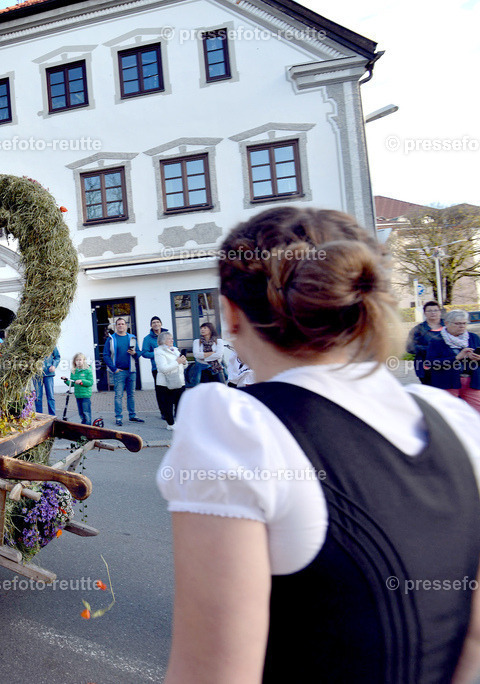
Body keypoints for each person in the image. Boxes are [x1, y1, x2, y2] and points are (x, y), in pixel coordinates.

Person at [157, 207, 480, 682]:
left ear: (230, 314)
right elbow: (471, 644)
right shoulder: (455, 422)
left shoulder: (239, 427)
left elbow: (214, 674)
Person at [426, 309, 480, 414]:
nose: (462, 326)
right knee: (449, 414)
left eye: (464, 323)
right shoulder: (436, 340)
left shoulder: (473, 338)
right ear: (447, 323)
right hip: (447, 382)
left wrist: (477, 358)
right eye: (458, 323)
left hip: (472, 381)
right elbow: (430, 362)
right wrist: (456, 358)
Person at [102, 317, 143, 426]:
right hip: (119, 372)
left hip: (131, 371)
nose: (121, 326)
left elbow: (139, 353)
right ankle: (118, 417)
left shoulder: (132, 338)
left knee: (131, 395)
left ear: (126, 326)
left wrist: (134, 353)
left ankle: (132, 415)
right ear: (116, 326)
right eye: (118, 324)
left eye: (122, 324)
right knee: (118, 395)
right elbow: (105, 355)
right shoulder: (111, 339)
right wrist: (114, 369)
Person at [153, 331, 187, 430]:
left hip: (179, 380)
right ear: (163, 341)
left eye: (172, 338)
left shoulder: (175, 350)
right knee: (168, 404)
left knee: (180, 403)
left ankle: (179, 422)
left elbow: (183, 365)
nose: (172, 340)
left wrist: (184, 362)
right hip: (166, 383)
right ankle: (170, 424)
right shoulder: (159, 352)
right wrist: (177, 362)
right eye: (169, 339)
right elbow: (163, 368)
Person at [407, 300, 445, 385]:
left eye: (435, 310)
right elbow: (409, 347)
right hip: (426, 366)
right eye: (429, 311)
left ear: (440, 312)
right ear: (424, 313)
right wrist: (429, 349)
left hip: (449, 365)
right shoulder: (418, 329)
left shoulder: (448, 326)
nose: (433, 313)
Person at [63, 353, 94, 424]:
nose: (79, 362)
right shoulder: (74, 371)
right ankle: (83, 425)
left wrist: (81, 381)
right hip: (78, 395)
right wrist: (66, 380)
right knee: (81, 412)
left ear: (84, 360)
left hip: (86, 395)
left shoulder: (88, 370)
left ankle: (88, 426)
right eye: (77, 360)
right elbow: (72, 383)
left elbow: (90, 382)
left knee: (86, 412)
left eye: (80, 360)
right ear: (74, 361)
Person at [32, 347, 60, 415]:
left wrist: (54, 366)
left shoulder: (51, 344)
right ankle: (39, 415)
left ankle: (52, 415)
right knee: (38, 397)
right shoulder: (33, 345)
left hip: (48, 374)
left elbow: (57, 357)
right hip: (37, 375)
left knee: (50, 396)